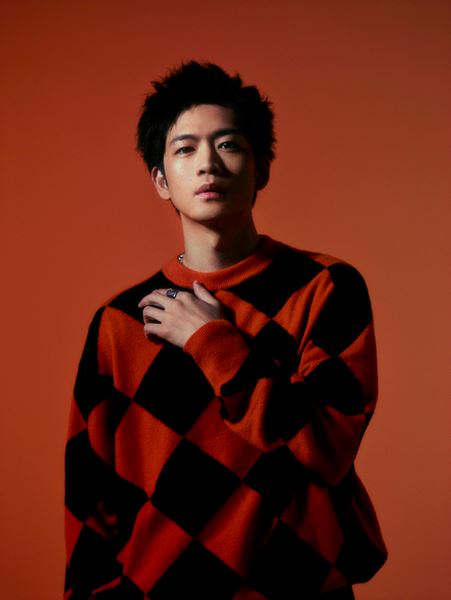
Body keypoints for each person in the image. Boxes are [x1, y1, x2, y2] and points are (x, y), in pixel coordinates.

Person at [64, 60, 388, 599]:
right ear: (161, 180)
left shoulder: (325, 288)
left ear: (262, 169)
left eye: (229, 145)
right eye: (185, 149)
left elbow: (329, 445)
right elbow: (89, 491)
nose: (208, 164)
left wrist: (211, 342)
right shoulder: (121, 322)